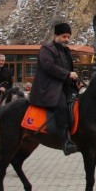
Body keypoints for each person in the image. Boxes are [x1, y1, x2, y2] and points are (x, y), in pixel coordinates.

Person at [29, 22, 80, 156]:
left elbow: (69, 70)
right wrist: (68, 74)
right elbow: (49, 67)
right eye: (64, 36)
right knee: (62, 106)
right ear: (56, 35)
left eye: (68, 37)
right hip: (49, 88)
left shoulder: (65, 51)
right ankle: (65, 141)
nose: (66, 39)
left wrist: (74, 82)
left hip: (64, 87)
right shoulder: (47, 48)